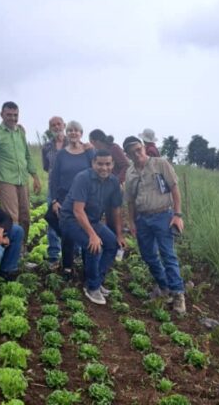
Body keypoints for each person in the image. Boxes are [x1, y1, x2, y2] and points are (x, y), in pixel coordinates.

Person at [123, 136, 187, 314]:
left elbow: (174, 188)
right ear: (127, 155)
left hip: (162, 216)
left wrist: (177, 214)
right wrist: (131, 221)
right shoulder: (130, 172)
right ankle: (164, 287)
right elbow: (130, 200)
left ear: (143, 147)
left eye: (138, 149)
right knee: (148, 256)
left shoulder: (160, 164)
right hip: (142, 219)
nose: (137, 154)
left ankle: (178, 295)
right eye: (132, 152)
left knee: (168, 255)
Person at [59, 150, 126, 305]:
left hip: (93, 220)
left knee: (112, 244)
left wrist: (119, 234)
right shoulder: (83, 178)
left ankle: (95, 280)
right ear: (93, 163)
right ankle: (92, 288)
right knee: (94, 247)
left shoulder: (114, 182)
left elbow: (116, 209)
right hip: (71, 220)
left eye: (108, 164)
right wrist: (92, 235)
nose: (104, 168)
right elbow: (77, 210)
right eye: (100, 164)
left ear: (113, 164)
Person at [0, 101, 41, 242]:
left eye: (15, 115)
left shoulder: (20, 132)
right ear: (2, 115)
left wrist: (35, 177)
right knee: (11, 217)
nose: (12, 118)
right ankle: (11, 250)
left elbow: (27, 155)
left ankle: (22, 249)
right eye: (9, 115)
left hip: (22, 179)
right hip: (5, 180)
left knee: (25, 216)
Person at [49, 120, 95, 275]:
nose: (73, 133)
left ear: (81, 133)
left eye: (76, 130)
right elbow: (54, 179)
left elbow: (97, 173)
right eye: (70, 130)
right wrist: (54, 200)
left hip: (85, 199)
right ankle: (67, 267)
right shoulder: (62, 154)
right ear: (66, 133)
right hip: (65, 199)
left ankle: (87, 266)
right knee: (67, 233)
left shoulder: (89, 151)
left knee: (86, 230)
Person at [41, 116, 68, 264]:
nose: (57, 127)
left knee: (72, 220)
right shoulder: (46, 147)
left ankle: (74, 253)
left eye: (59, 124)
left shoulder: (74, 143)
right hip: (53, 189)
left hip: (71, 189)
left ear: (64, 125)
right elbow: (46, 167)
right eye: (53, 125)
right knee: (52, 220)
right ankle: (53, 254)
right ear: (50, 128)